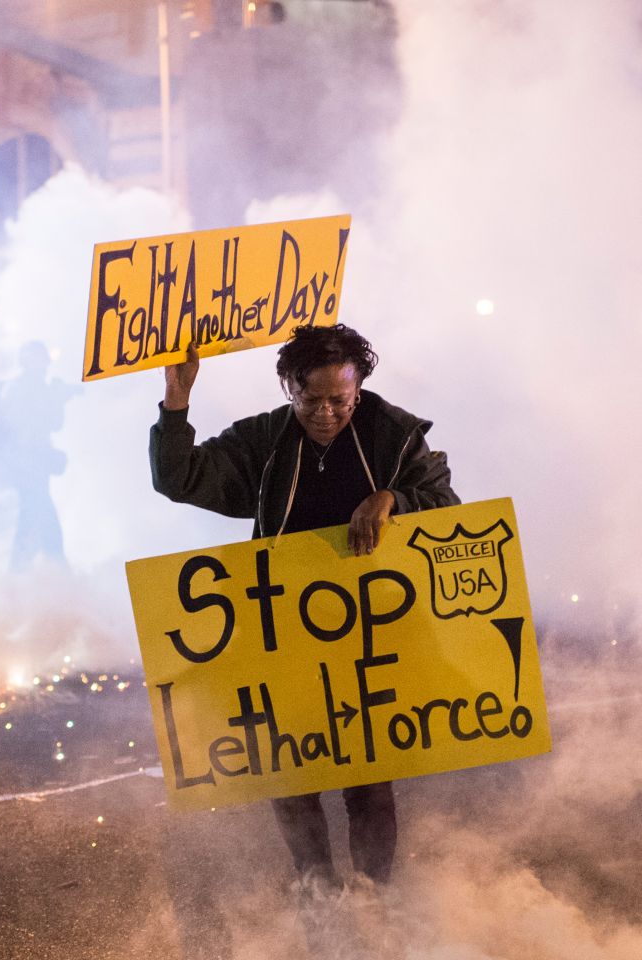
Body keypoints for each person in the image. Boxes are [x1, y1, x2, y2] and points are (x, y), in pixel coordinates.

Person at [150, 323, 459, 892]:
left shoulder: (394, 435)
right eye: (309, 400)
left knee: (369, 776)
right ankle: (317, 888)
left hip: (371, 635)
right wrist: (178, 397)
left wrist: (393, 498)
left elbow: (445, 503)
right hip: (286, 634)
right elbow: (178, 476)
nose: (324, 413)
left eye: (339, 401)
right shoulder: (264, 441)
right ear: (288, 387)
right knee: (291, 773)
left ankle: (373, 895)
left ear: (358, 391)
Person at [1, 341, 78, 570]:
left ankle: (24, 577)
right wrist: (54, 398)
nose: (45, 368)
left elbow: (54, 423)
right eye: (40, 362)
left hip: (34, 465)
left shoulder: (36, 389)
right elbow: (26, 427)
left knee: (35, 522)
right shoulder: (20, 390)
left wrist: (58, 399)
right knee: (43, 523)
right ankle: (54, 575)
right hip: (26, 464)